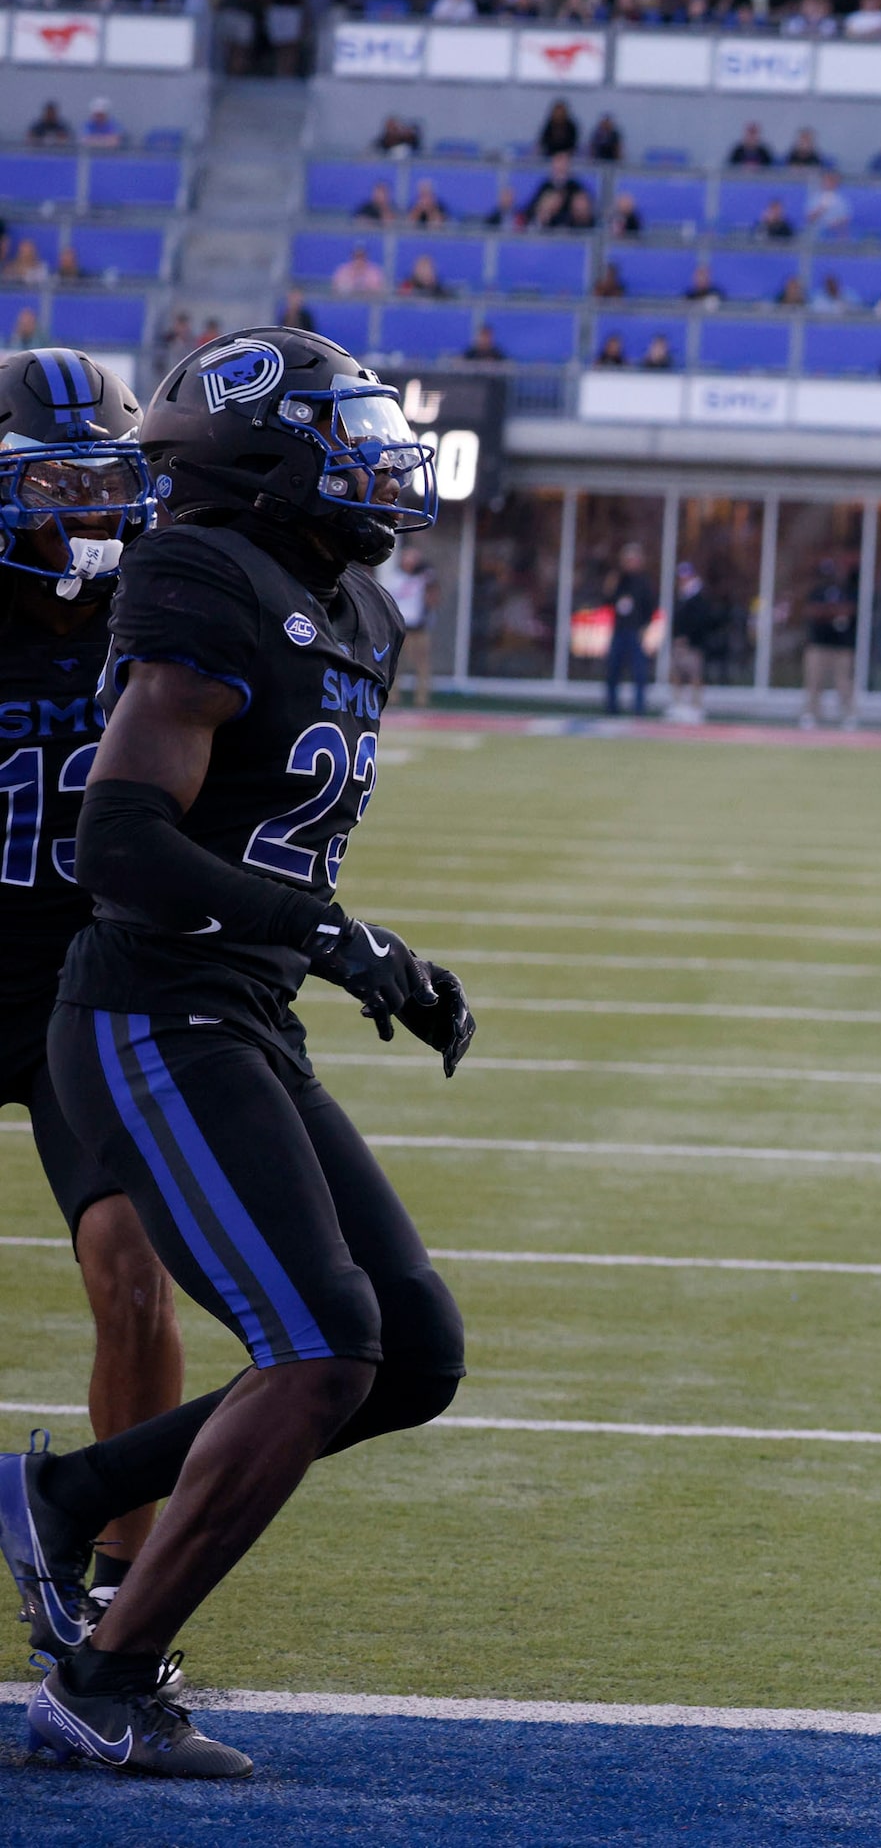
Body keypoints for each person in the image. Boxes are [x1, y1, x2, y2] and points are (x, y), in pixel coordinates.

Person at [6, 328, 472, 1778]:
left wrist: (321, 946)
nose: (379, 464)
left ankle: (66, 1493)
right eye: (347, 434)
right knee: (323, 1339)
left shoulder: (348, 603)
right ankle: (106, 1673)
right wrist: (337, 935)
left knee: (414, 1352)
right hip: (153, 1004)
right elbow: (124, 837)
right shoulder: (202, 573)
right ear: (267, 455)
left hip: (241, 1010)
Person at [0, 350, 181, 1647]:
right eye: (54, 479)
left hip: (85, 974)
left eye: (101, 479)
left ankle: (117, 1583)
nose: (83, 507)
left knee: (133, 1272)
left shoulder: (166, 610)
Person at [797, 554, 857, 729]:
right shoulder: (816, 591)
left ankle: (848, 715)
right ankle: (811, 714)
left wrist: (828, 612)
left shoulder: (847, 591)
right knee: (814, 681)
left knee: (844, 682)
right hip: (818, 644)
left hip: (842, 645)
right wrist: (831, 612)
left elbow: (848, 611)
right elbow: (811, 611)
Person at [601, 539, 654, 715]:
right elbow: (607, 601)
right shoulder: (618, 580)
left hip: (635, 632)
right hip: (619, 630)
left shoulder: (644, 583)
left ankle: (639, 710)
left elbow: (650, 608)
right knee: (613, 671)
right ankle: (611, 708)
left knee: (639, 672)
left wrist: (644, 627)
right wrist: (609, 586)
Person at [381, 541, 433, 708]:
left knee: (422, 664)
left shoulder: (423, 578)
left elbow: (433, 598)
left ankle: (421, 699)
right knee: (396, 664)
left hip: (419, 627)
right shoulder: (395, 579)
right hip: (401, 626)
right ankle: (393, 696)